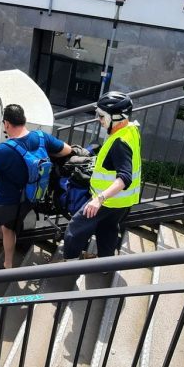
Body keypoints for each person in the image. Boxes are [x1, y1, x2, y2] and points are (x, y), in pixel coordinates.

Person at [0, 104, 72, 272]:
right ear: (24, 120)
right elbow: (67, 150)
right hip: (30, 199)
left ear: (6, 124)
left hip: (7, 202)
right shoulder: (41, 137)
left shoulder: (4, 150)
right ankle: (8, 265)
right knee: (8, 227)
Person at [60, 92, 142, 262]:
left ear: (118, 117)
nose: (99, 119)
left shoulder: (119, 143)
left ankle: (69, 265)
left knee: (75, 229)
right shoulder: (131, 130)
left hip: (108, 201)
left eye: (102, 115)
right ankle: (105, 265)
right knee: (108, 229)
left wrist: (99, 199)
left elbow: (125, 177)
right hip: (123, 202)